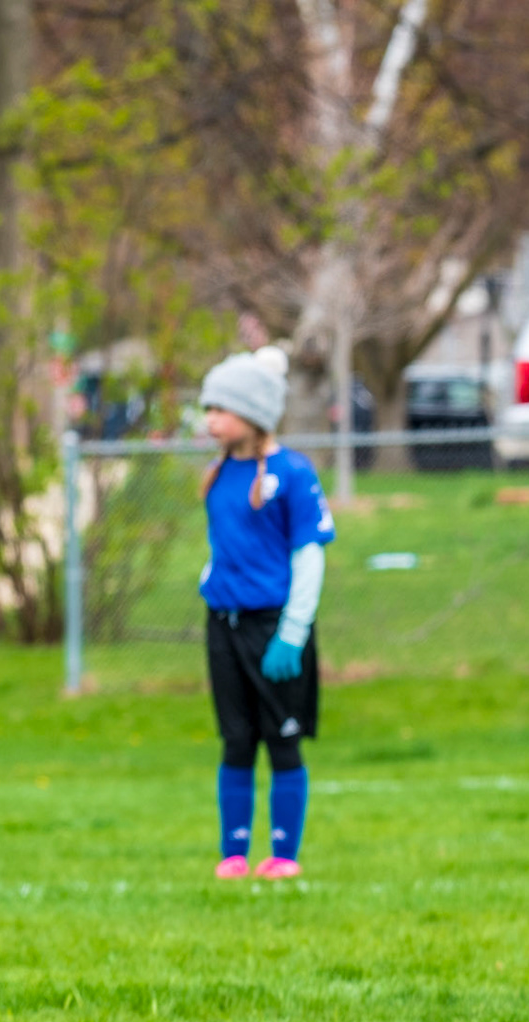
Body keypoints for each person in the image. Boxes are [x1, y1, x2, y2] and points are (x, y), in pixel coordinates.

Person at [197, 347, 336, 880]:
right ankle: (233, 854)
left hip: (275, 627)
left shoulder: (293, 474)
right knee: (236, 740)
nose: (210, 419)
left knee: (282, 739)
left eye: (220, 408)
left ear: (252, 413)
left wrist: (292, 632)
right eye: (207, 408)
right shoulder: (217, 474)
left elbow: (308, 556)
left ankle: (283, 855)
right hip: (224, 626)